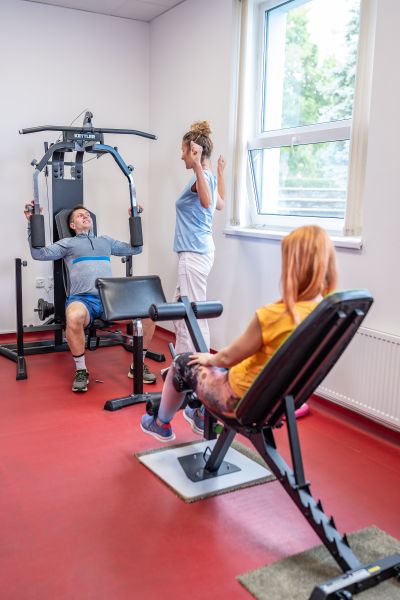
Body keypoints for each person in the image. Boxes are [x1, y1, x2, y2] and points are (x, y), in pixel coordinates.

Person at [140, 225, 338, 441]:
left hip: (238, 400)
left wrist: (210, 358)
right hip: (278, 404)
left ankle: (160, 423)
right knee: (216, 367)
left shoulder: (274, 315)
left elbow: (228, 357)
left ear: (292, 265)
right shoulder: (328, 314)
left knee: (182, 362)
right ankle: (199, 414)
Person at [24, 202, 157, 392]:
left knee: (149, 313)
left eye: (87, 214)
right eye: (80, 215)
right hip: (82, 300)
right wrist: (32, 222)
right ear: (72, 225)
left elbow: (135, 249)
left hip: (109, 299)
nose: (85, 216)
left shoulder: (105, 241)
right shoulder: (68, 243)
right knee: (73, 317)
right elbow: (39, 253)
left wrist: (135, 218)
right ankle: (81, 371)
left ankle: (138, 364)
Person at [172, 121, 225, 356]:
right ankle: (182, 363)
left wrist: (196, 166)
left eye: (183, 150)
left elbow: (206, 202)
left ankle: (199, 365)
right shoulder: (209, 177)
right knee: (178, 310)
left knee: (192, 314)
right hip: (199, 251)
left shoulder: (201, 177)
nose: (181, 156)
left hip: (193, 254)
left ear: (193, 151)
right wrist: (220, 172)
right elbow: (219, 204)